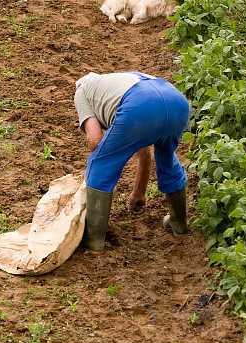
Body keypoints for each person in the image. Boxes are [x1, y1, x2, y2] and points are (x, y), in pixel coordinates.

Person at [74, 71, 190, 252]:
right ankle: (179, 223)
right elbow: (142, 144)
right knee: (167, 159)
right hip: (177, 102)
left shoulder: (82, 91)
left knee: (100, 164)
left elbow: (95, 140)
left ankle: (93, 240)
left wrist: (107, 153)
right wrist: (138, 193)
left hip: (139, 106)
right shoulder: (121, 80)